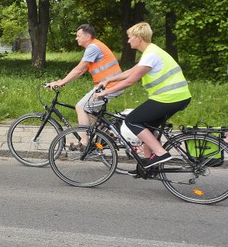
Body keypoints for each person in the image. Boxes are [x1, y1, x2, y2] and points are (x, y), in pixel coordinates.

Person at [98, 22, 191, 168]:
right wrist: (109, 79)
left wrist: (105, 92)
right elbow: (132, 71)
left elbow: (130, 81)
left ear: (139, 37)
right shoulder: (151, 52)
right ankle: (147, 163)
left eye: (129, 37)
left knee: (132, 120)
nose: (128, 40)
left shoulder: (151, 55)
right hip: (175, 97)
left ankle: (161, 153)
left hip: (170, 97)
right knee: (148, 126)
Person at [46, 24, 123, 147]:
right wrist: (62, 80)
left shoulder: (93, 47)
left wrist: (61, 83)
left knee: (81, 107)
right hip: (109, 85)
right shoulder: (95, 46)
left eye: (78, 36)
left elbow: (79, 69)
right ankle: (109, 132)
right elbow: (81, 71)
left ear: (88, 36)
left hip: (110, 86)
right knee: (90, 112)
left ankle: (84, 142)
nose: (76, 38)